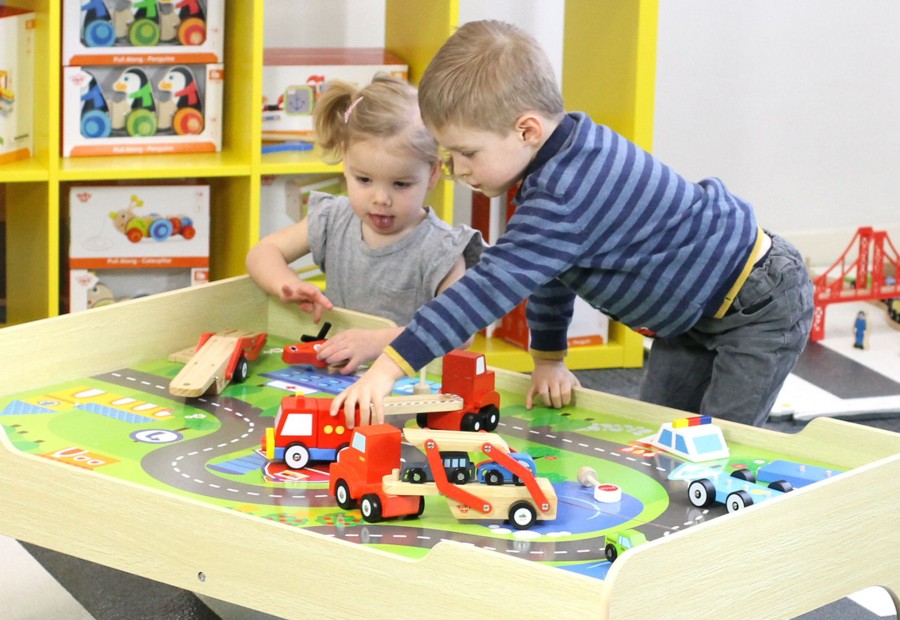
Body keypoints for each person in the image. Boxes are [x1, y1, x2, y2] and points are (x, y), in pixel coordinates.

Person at [331, 19, 814, 426]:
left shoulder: (567, 193)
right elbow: (551, 271)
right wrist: (548, 359)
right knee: (670, 439)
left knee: (723, 450)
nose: (457, 170)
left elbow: (486, 289)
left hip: (757, 305)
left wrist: (389, 368)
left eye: (466, 153)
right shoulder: (558, 160)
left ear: (526, 130)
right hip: (689, 319)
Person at [246, 74, 483, 373]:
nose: (380, 198)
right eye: (364, 180)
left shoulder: (442, 249)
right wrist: (287, 284)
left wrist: (378, 342)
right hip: (335, 378)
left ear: (432, 174)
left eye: (400, 184)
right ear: (346, 163)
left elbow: (460, 328)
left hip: (407, 389)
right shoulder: (333, 218)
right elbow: (262, 253)